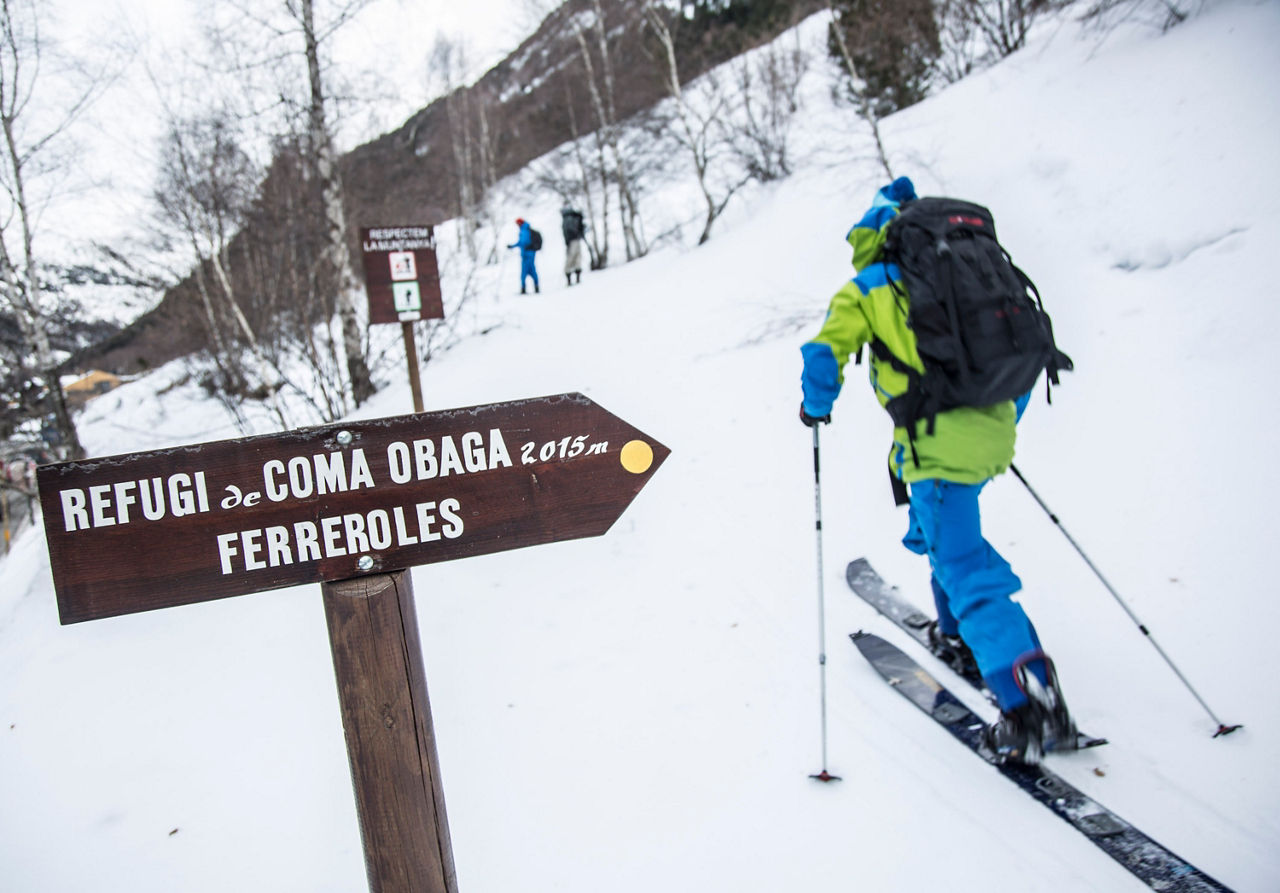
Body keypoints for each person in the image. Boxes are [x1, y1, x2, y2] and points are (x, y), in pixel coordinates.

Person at [798, 176, 1077, 765]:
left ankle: (1027, 706)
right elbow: (1019, 353)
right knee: (942, 535)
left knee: (968, 568)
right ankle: (955, 635)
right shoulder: (969, 275)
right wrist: (993, 424)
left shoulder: (871, 286)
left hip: (936, 449)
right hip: (990, 431)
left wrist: (815, 407)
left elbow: (825, 352)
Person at [507, 217, 539, 294]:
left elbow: (523, 242)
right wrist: (512, 246)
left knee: (525, 271)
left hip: (527, 254)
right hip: (529, 253)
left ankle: (524, 288)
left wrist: (513, 246)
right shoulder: (525, 229)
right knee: (531, 270)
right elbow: (521, 242)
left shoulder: (524, 230)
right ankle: (536, 287)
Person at [560, 205, 586, 286]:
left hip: (572, 241)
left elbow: (568, 230)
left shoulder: (567, 218)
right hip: (576, 239)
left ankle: (569, 278)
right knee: (577, 257)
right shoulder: (575, 217)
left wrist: (568, 241)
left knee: (570, 259)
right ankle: (577, 277)